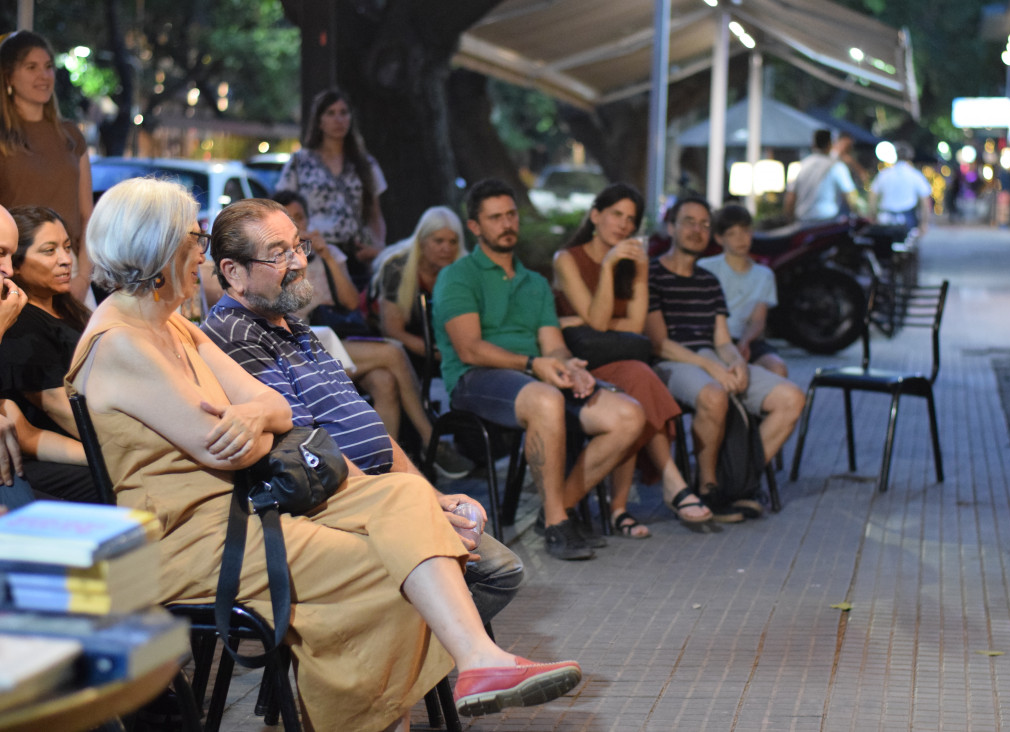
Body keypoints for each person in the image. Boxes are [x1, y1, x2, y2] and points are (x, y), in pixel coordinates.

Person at [65, 177, 580, 730]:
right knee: (391, 570)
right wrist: (258, 418)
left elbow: (273, 411)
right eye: (194, 239)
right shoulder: (121, 343)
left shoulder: (174, 328)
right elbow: (229, 452)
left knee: (408, 495)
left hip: (245, 512)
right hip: (196, 540)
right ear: (157, 246)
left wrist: (256, 414)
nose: (202, 256)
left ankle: (479, 661)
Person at [202, 197, 520, 624]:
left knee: (499, 565)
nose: (298, 262)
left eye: (298, 246)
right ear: (233, 272)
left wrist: (433, 495)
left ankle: (424, 665)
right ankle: (422, 668)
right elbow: (307, 451)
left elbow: (363, 425)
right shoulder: (234, 333)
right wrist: (409, 505)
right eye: (279, 254)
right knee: (490, 571)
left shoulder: (291, 324)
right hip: (332, 511)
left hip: (378, 494)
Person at [433, 179, 645, 560]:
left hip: (535, 378)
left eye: (511, 215)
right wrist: (534, 364)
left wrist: (571, 366)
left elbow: (554, 344)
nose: (507, 224)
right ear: (476, 227)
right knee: (547, 398)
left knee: (629, 414)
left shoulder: (534, 282)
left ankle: (556, 512)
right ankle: (557, 521)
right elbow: (470, 348)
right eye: (495, 218)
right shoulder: (458, 275)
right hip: (474, 380)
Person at [265, 190, 472, 479]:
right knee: (393, 352)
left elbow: (351, 302)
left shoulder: (324, 253)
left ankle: (383, 472)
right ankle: (429, 440)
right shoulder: (270, 261)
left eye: (300, 216)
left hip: (335, 341)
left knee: (385, 381)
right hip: (299, 346)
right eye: (290, 218)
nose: (297, 223)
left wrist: (323, 255)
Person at [553, 183, 711, 536]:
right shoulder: (567, 259)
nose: (623, 226)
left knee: (637, 378)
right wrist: (608, 268)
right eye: (616, 215)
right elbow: (596, 324)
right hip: (580, 362)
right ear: (596, 216)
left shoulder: (636, 262)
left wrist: (594, 319)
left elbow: (634, 327)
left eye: (631, 219)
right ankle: (650, 493)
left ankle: (627, 504)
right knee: (640, 376)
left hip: (623, 358)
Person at [646, 196, 805, 519]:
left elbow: (722, 339)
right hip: (671, 361)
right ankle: (708, 486)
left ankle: (736, 483)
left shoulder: (708, 280)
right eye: (689, 222)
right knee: (715, 394)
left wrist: (735, 362)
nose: (697, 230)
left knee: (791, 398)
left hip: (711, 356)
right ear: (671, 227)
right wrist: (712, 367)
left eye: (704, 224)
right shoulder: (652, 275)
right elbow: (659, 344)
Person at [0, 205, 97, 503]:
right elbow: (31, 428)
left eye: (68, 248)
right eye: (49, 250)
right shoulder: (20, 321)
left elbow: (13, 420)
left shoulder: (69, 309)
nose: (66, 260)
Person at [0, 31, 93, 302]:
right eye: (32, 67)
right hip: (15, 270)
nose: (44, 76)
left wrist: (83, 278)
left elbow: (88, 215)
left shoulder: (70, 134)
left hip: (69, 267)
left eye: (49, 67)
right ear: (8, 76)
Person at [277, 88, 386, 290]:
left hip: (355, 254)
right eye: (331, 113)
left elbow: (375, 213)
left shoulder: (366, 164)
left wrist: (377, 247)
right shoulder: (300, 162)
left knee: (355, 314)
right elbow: (281, 209)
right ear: (319, 120)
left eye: (344, 113)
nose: (338, 119)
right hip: (315, 253)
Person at [698, 204, 788, 378]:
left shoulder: (764, 275)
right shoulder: (705, 268)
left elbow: (758, 320)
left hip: (745, 339)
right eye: (732, 234)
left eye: (745, 231)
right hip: (710, 339)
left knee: (777, 368)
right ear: (719, 238)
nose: (741, 239)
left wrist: (745, 341)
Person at [377, 206, 466, 376]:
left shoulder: (464, 270)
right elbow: (392, 330)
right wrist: (437, 353)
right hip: (408, 351)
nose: (446, 248)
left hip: (453, 351)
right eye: (439, 241)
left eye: (453, 242)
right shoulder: (397, 268)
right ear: (422, 241)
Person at [783, 129, 858, 222]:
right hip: (827, 225)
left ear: (813, 144)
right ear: (830, 144)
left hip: (803, 224)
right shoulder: (837, 166)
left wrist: (790, 219)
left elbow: (790, 197)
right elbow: (851, 196)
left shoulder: (801, 166)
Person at [869, 141, 932, 236]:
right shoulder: (915, 175)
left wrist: (873, 215)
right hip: (907, 218)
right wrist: (924, 223)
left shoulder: (884, 174)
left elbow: (872, 195)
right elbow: (925, 201)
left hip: (885, 217)